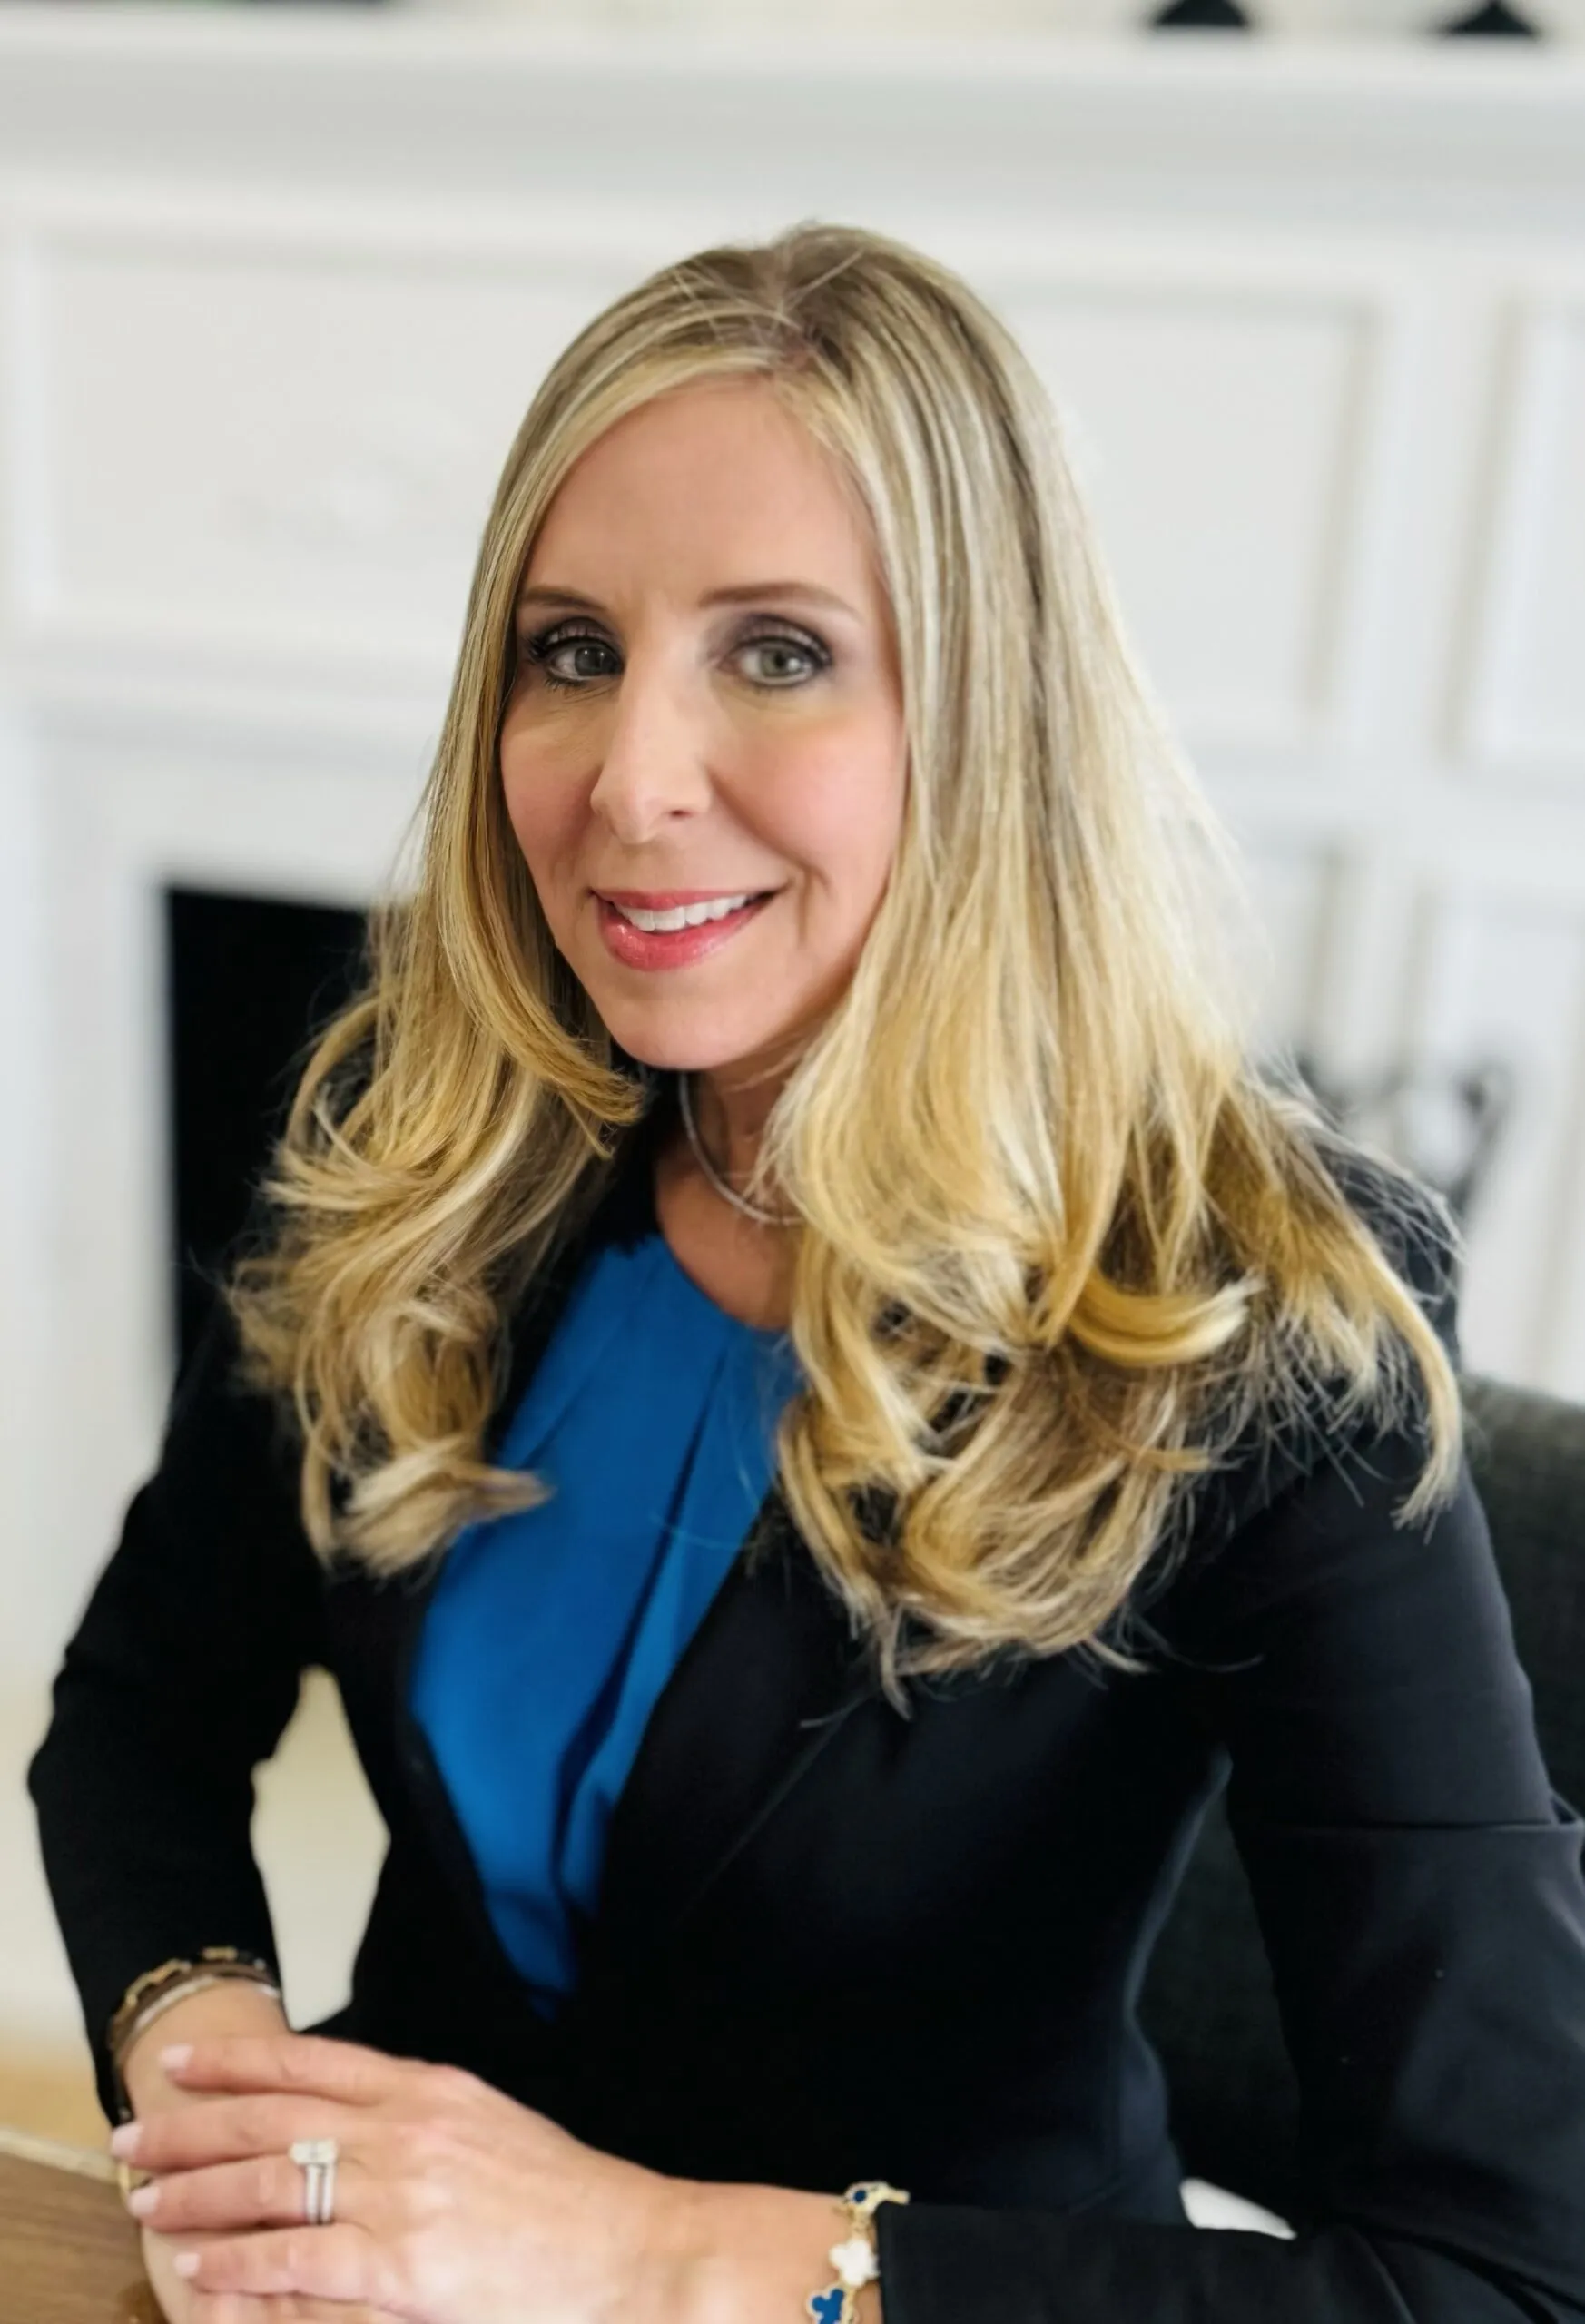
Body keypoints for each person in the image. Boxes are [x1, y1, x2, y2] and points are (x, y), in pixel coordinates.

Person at [27, 220, 1585, 2324]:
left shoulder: (1264, 1321)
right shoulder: (420, 1137)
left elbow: (1504, 2272)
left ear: (988, 710)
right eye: (571, 649)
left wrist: (645, 2248)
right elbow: (137, 1708)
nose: (628, 782)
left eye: (777, 651)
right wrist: (229, 2100)